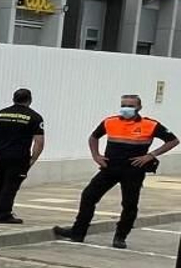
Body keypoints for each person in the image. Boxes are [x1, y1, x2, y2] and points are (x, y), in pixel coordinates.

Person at [54, 94, 177, 250]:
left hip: (133, 170)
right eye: (123, 105)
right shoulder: (110, 122)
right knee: (88, 196)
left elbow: (173, 140)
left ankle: (120, 236)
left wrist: (150, 156)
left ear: (139, 107)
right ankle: (78, 233)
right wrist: (96, 156)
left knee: (129, 204)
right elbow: (93, 137)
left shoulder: (150, 124)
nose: (126, 108)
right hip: (110, 167)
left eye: (131, 106)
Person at [0, 89, 45, 224]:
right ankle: (4, 214)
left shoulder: (1, 114)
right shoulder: (34, 117)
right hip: (19, 157)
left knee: (0, 182)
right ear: (29, 100)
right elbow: (39, 141)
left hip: (0, 155)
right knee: (11, 185)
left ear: (14, 99)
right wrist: (32, 159)